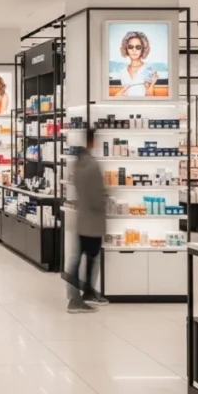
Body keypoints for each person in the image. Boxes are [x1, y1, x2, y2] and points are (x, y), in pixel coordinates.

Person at [67, 132, 109, 313]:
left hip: (82, 219)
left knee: (82, 258)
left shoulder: (77, 164)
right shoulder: (92, 166)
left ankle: (85, 294)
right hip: (93, 220)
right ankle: (77, 299)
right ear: (92, 141)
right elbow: (97, 196)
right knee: (87, 258)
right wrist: (106, 199)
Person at [112, 31, 159, 97]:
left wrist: (152, 85)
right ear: (126, 49)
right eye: (130, 47)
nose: (134, 50)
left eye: (138, 47)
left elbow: (150, 97)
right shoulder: (123, 71)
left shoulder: (147, 69)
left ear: (143, 49)